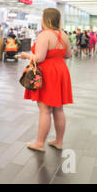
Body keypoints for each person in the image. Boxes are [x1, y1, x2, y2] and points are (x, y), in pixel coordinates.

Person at [20, 8, 72, 152]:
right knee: (59, 109)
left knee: (44, 109)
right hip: (61, 71)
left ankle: (39, 143)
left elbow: (39, 58)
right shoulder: (64, 35)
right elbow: (68, 55)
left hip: (48, 73)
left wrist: (26, 55)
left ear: (45, 19)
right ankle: (59, 141)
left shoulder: (45, 35)